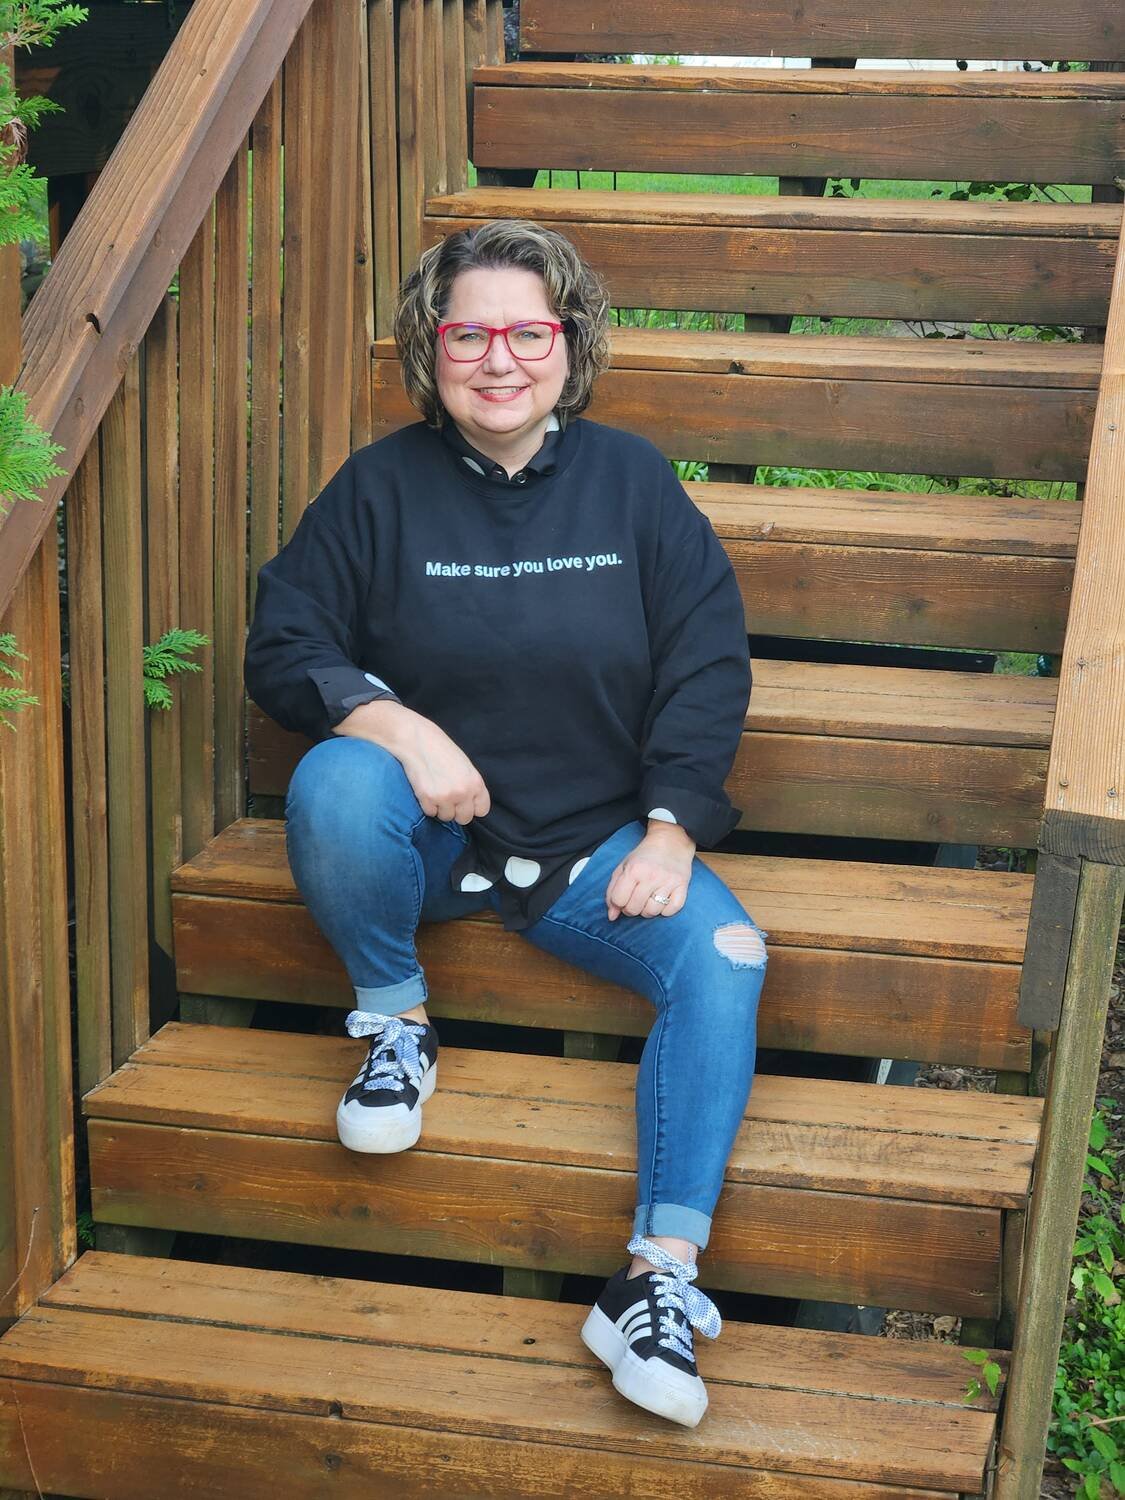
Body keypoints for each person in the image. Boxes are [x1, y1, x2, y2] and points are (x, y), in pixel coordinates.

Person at [243, 218, 768, 1429]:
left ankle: (656, 1278)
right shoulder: (376, 488)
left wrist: (675, 825)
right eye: (467, 332)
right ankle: (395, 1022)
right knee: (335, 778)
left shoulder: (632, 482)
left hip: (594, 847)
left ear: (568, 344)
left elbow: (708, 662)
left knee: (731, 956)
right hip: (425, 840)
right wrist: (392, 721)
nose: (498, 359)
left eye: (528, 331)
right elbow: (287, 639)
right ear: (431, 352)